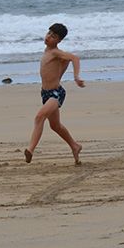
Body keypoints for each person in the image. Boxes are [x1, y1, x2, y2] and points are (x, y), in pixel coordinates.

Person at [24, 22, 85, 164]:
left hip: (56, 93)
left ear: (59, 40)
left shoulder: (56, 52)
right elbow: (61, 66)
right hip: (45, 94)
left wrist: (76, 77)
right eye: (48, 33)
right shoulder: (47, 52)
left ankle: (30, 150)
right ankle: (75, 146)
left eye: (53, 36)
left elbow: (74, 58)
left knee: (39, 117)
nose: (49, 37)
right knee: (55, 126)